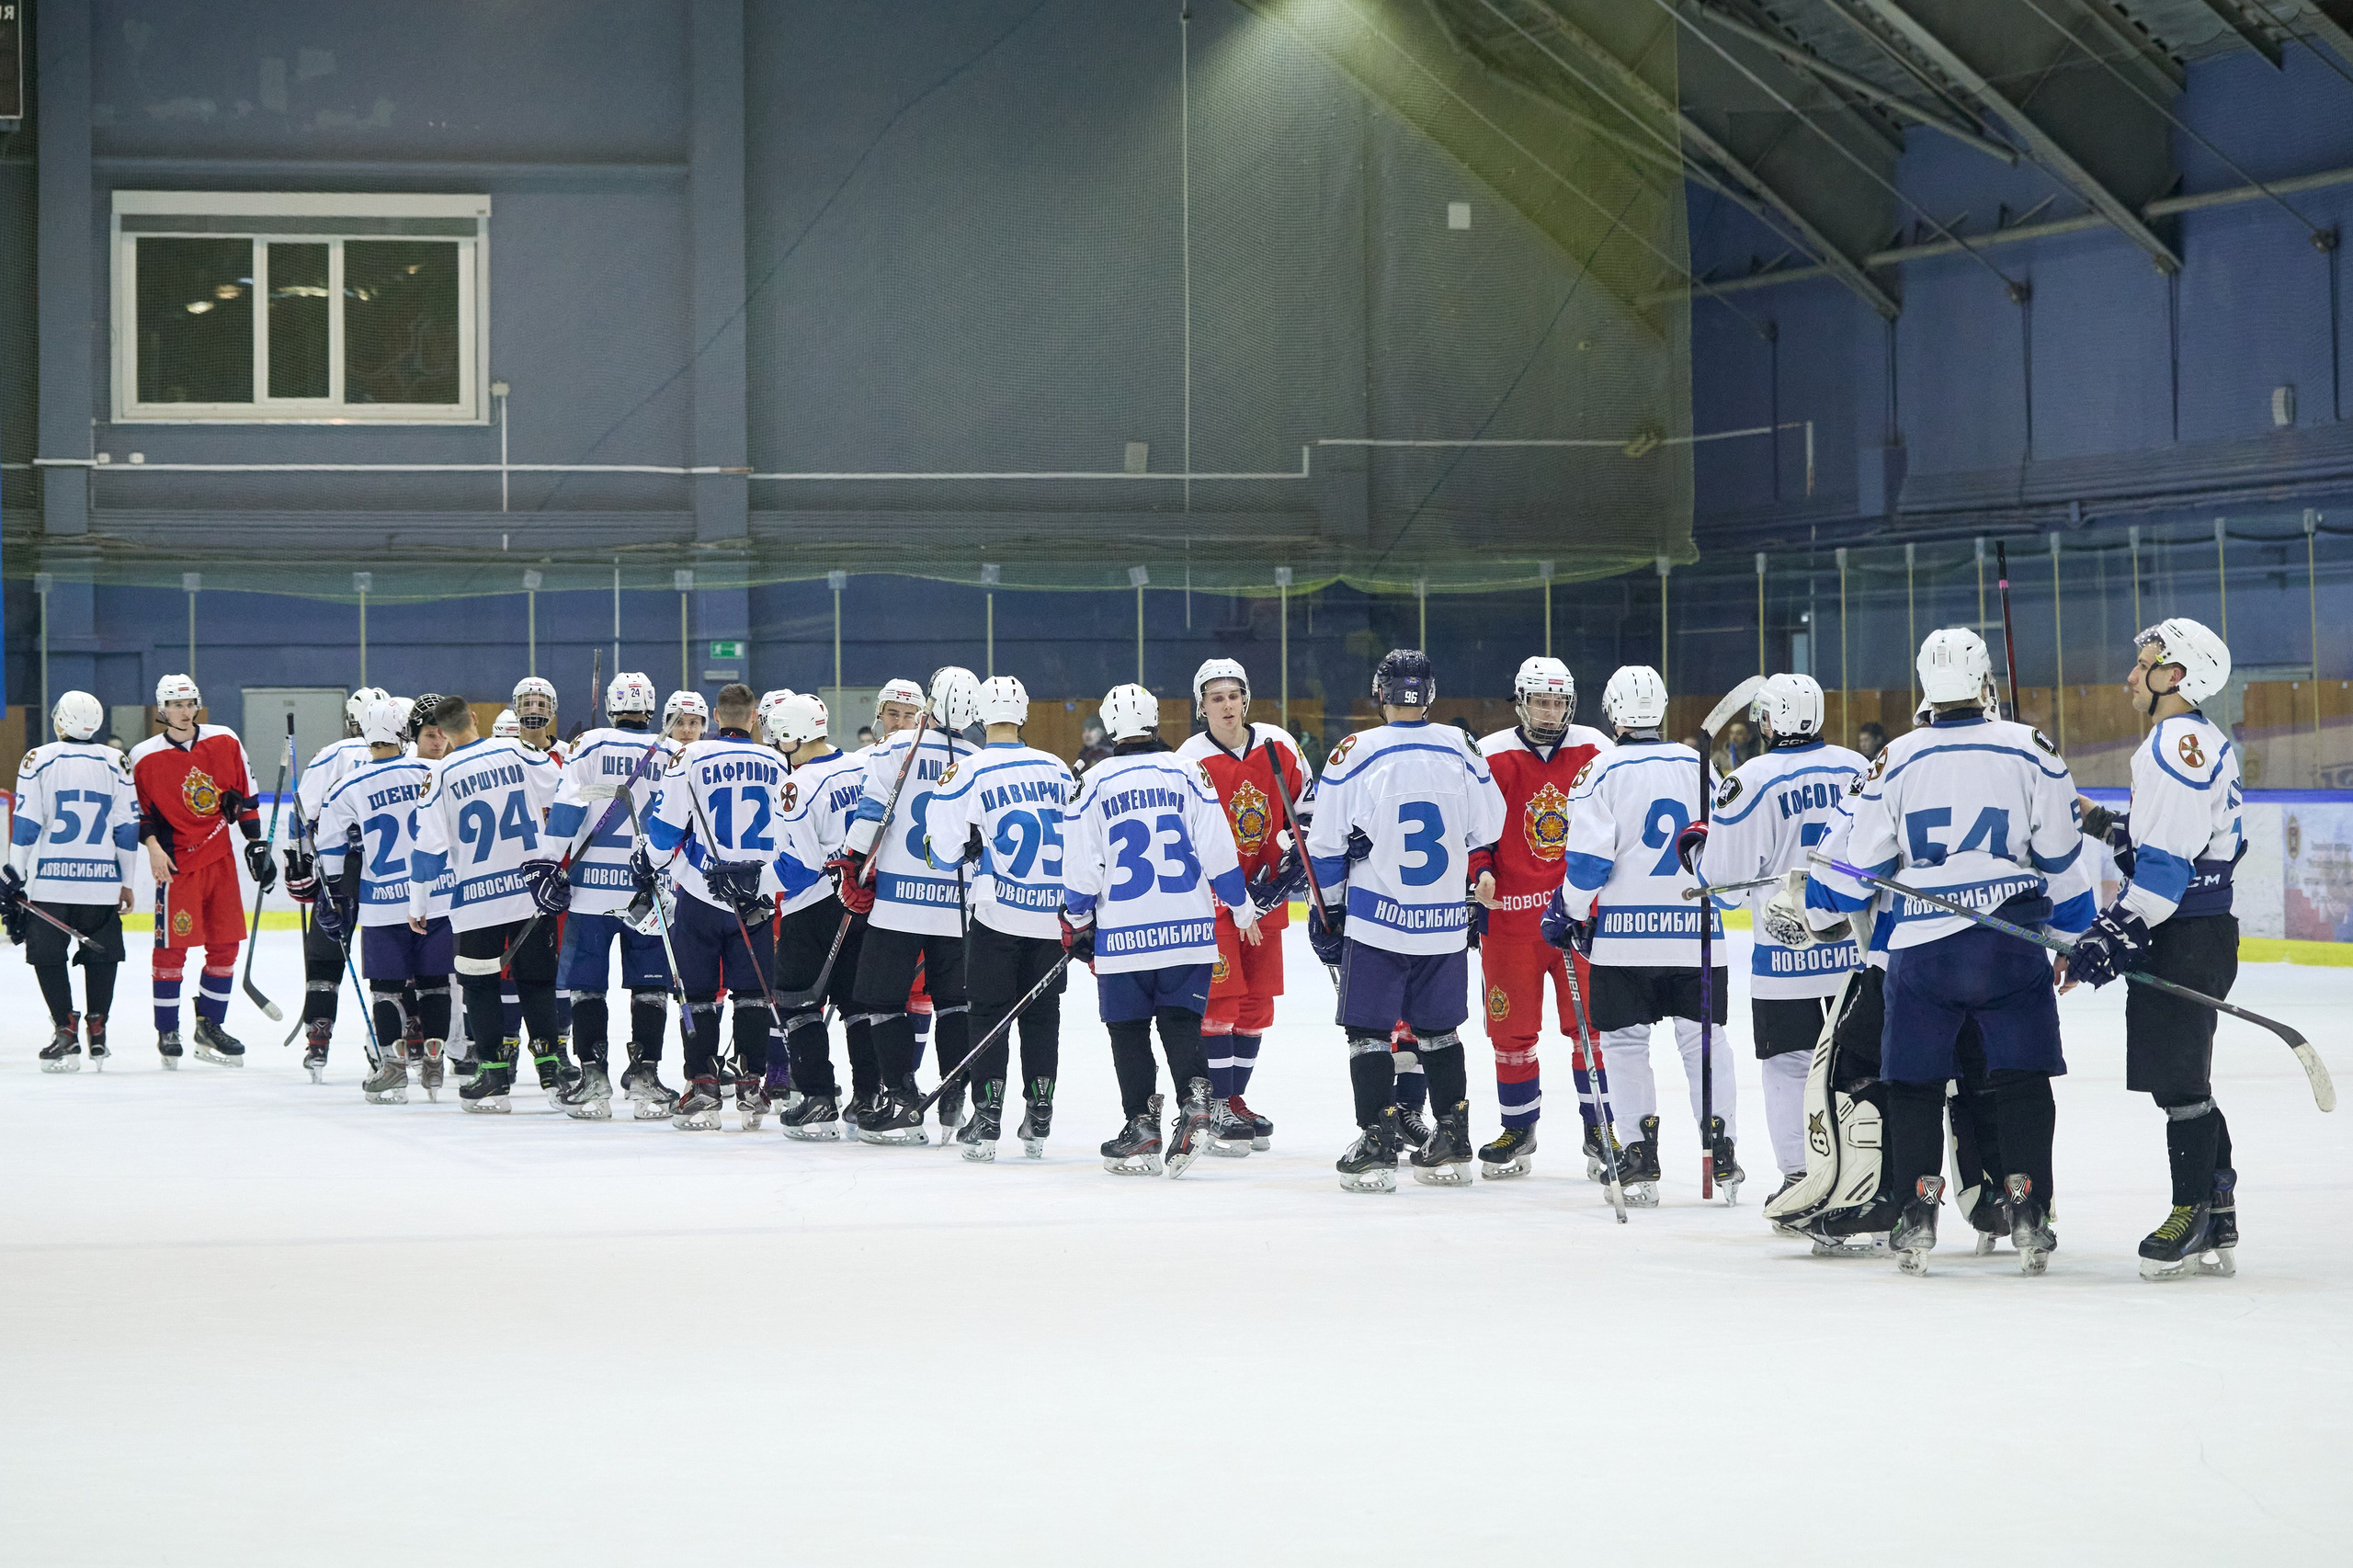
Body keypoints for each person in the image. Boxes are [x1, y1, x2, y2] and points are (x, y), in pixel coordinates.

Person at [1804, 628, 2095, 1276]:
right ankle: (2027, 1206)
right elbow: (2058, 859)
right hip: (2008, 944)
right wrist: (2074, 940)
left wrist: (1819, 892)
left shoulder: (1894, 759)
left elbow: (1862, 869)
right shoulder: (2032, 748)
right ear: (1985, 682)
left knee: (1915, 1086)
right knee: (2019, 1081)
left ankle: (1917, 1212)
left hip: (1921, 949)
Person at [2063, 618, 2245, 1280]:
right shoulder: (2191, 741)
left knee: (2179, 1085)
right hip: (2197, 932)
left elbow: (2165, 878)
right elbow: (2171, 846)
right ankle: (2218, 1207)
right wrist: (2102, 824)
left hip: (2183, 935)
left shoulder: (2172, 745)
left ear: (2176, 675)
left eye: (2143, 666)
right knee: (2184, 1078)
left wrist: (2108, 937)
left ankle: (2191, 1210)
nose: (2130, 677)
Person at [1308, 649, 1506, 1193]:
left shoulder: (1356, 751)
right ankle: (1452, 1139)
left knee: (1369, 1033)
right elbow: (1491, 824)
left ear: (1380, 695)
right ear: (1431, 695)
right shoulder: (1460, 746)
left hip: (1377, 921)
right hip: (1443, 922)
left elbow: (1324, 843)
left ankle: (1376, 1140)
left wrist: (1328, 908)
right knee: (1441, 1033)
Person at [1539, 665, 1733, 1206]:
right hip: (1696, 934)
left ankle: (1638, 1156)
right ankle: (1723, 1146)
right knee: (1705, 1041)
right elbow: (1726, 844)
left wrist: (1565, 911)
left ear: (1611, 711)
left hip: (1624, 941)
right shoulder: (1701, 769)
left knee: (1625, 1045)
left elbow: (1588, 865)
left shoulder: (1598, 772)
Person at [1062, 682, 1259, 1177]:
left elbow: (1082, 867)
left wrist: (1079, 920)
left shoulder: (1093, 781)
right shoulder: (1189, 771)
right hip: (1188, 930)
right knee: (1180, 1021)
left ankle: (1142, 1125)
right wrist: (1239, 906)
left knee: (1128, 1029)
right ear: (1155, 719)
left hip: (1124, 933)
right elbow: (1219, 851)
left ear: (1110, 725)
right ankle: (1195, 1104)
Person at [1695, 674, 1865, 1207]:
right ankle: (1864, 1175)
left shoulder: (1748, 781)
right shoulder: (1860, 768)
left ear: (1769, 721)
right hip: (1857, 957)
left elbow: (1722, 890)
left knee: (1789, 1068)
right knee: (1859, 1066)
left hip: (1783, 962)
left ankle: (1800, 1178)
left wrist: (1697, 852)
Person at [639, 683, 808, 1131]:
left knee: (696, 992)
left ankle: (704, 1084)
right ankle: (752, 1083)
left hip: (700, 892)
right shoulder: (779, 761)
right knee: (752, 993)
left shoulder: (690, 758)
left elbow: (667, 826)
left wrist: (650, 860)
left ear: (716, 717)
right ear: (754, 719)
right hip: (754, 896)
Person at [1468, 655, 1613, 1178]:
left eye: (1558, 702)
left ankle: (1601, 1129)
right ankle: (1518, 1128)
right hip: (1508, 923)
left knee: (1591, 1029)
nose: (1550, 712)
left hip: (1580, 919)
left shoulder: (1597, 749)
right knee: (1512, 1034)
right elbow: (1474, 828)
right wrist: (1479, 868)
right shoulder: (1490, 755)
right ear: (1521, 701)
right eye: (1540, 701)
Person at [923, 676, 1078, 1160]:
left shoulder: (969, 769)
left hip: (998, 913)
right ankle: (1040, 1112)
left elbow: (941, 853)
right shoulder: (1056, 767)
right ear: (1024, 713)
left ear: (980, 715)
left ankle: (987, 1115)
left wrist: (963, 846)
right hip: (1053, 915)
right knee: (1043, 1015)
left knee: (989, 1013)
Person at [832, 669, 983, 1143]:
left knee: (881, 1000)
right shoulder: (979, 758)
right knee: (954, 1001)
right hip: (955, 904)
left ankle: (901, 1096)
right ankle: (955, 1095)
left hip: (898, 903)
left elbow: (872, 814)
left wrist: (852, 867)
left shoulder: (894, 749)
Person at [404, 694, 568, 1114]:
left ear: (441, 732)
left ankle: (493, 1072)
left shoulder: (440, 775)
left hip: (476, 901)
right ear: (476, 719)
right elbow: (570, 796)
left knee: (479, 985)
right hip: (529, 891)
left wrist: (418, 903)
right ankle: (551, 1068)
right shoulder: (519, 750)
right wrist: (550, 857)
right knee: (537, 981)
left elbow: (427, 851)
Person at [1175, 657, 1309, 1154]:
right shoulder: (1188, 759)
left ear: (1246, 698)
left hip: (1268, 897)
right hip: (1214, 903)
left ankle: (1235, 1100)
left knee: (1256, 1004)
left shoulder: (1280, 746)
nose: (1227, 705)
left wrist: (1291, 865)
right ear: (1201, 706)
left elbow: (1306, 808)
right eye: (1216, 698)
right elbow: (1182, 835)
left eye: (1233, 695)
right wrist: (1231, 893)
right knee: (1221, 1002)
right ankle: (1216, 1104)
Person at [542, 671, 676, 1119]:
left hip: (590, 893)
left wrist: (547, 864)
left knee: (586, 989)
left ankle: (593, 1079)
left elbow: (567, 807)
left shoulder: (591, 743)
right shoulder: (672, 749)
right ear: (651, 705)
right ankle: (646, 1078)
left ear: (614, 706)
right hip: (651, 891)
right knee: (651, 989)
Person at [313, 698, 452, 1106]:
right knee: (434, 984)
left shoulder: (348, 785)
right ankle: (434, 1056)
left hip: (382, 902)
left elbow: (329, 848)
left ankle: (392, 1066)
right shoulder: (432, 769)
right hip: (437, 896)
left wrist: (333, 895)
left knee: (387, 989)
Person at [129, 674, 270, 1068]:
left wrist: (256, 844)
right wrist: (153, 848)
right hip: (177, 866)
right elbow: (139, 815)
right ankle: (167, 1029)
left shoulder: (224, 739)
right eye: (175, 704)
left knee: (225, 946)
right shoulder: (143, 756)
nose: (184, 711)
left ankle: (210, 1025)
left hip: (220, 860)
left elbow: (246, 797)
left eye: (190, 703)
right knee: (172, 950)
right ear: (162, 709)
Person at [10, 692, 137, 1072]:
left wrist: (16, 876)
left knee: (47, 956)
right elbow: (127, 828)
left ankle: (66, 1030)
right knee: (103, 953)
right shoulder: (117, 761)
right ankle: (97, 1030)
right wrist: (126, 881)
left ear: (61, 721)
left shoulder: (38, 758)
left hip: (51, 881)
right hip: (101, 882)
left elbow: (27, 823)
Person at [768, 693, 874, 1138]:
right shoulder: (860, 766)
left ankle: (816, 1097)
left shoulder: (796, 786)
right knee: (858, 1003)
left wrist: (755, 885)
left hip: (812, 908)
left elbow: (801, 865)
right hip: (862, 903)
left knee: (797, 1001)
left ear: (793, 735)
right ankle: (870, 1096)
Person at [283, 686, 390, 1081]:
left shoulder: (334, 753)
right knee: (393, 957)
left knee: (326, 954)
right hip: (390, 871)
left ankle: (319, 1033)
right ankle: (392, 1035)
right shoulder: (407, 755)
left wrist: (296, 860)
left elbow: (302, 811)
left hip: (339, 870)